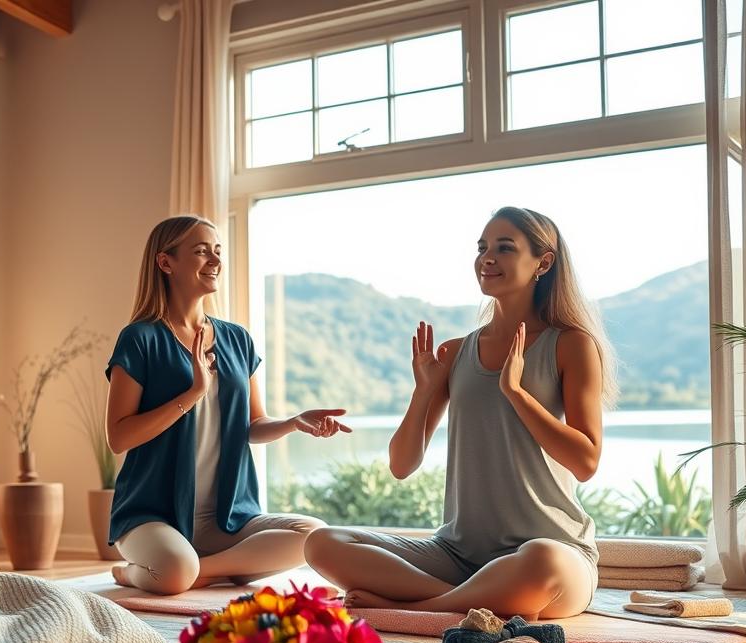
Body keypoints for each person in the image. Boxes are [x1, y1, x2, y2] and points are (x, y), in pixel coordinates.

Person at [304, 206, 614, 620]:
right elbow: (401, 465)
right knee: (322, 543)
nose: (488, 258)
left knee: (542, 561)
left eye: (505, 248)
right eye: (483, 247)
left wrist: (517, 394)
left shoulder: (571, 345)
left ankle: (421, 606)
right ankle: (471, 601)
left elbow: (586, 461)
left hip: (552, 552)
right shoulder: (453, 352)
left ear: (543, 262)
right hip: (456, 554)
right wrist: (424, 391)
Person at [104, 214, 351, 595]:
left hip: (228, 519)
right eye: (202, 252)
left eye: (218, 251)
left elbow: (253, 426)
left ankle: (193, 571)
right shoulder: (140, 338)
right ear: (165, 262)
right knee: (174, 569)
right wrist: (191, 395)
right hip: (153, 515)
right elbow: (119, 436)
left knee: (313, 534)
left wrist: (293, 422)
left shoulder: (238, 339)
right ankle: (144, 571)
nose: (216, 261)